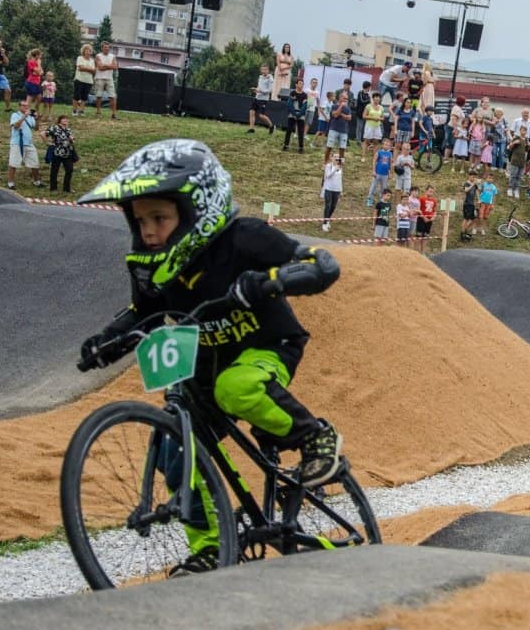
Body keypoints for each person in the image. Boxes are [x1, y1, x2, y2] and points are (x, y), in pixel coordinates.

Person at [77, 139, 345, 575]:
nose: (148, 231)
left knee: (236, 387)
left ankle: (313, 436)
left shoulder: (244, 239)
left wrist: (270, 282)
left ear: (197, 210)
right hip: (205, 366)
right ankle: (212, 549)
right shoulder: (152, 266)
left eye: (160, 218)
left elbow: (321, 265)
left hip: (266, 348)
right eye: (140, 219)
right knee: (173, 451)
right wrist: (107, 339)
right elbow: (143, 312)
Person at [7, 98, 40, 189]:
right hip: (17, 143)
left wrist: (37, 119)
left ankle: (37, 182)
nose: (26, 107)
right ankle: (10, 183)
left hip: (29, 143)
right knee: (13, 163)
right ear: (19, 107)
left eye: (27, 106)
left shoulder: (30, 116)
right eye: (24, 106)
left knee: (35, 163)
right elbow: (16, 126)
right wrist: (24, 116)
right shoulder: (15, 115)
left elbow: (36, 129)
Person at [42, 113, 77, 193]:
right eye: (64, 119)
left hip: (67, 152)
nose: (66, 120)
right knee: (54, 170)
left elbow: (73, 140)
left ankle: (67, 188)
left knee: (69, 169)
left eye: (67, 119)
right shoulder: (54, 127)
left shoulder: (68, 129)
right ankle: (53, 188)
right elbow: (43, 134)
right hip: (57, 152)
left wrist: (72, 140)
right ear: (59, 120)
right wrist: (48, 143)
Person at [323, 92, 351, 165]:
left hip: (344, 131)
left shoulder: (348, 108)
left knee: (342, 148)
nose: (345, 100)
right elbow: (335, 115)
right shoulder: (334, 106)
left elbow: (349, 118)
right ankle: (325, 162)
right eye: (344, 98)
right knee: (329, 146)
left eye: (346, 99)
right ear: (340, 98)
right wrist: (341, 106)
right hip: (334, 129)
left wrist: (343, 115)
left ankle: (340, 164)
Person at [247, 65, 275, 135]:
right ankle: (251, 129)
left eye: (265, 70)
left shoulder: (270, 78)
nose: (264, 71)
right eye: (262, 70)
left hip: (263, 99)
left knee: (261, 116)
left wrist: (260, 90)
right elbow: (259, 87)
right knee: (251, 112)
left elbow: (270, 90)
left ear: (268, 70)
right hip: (257, 97)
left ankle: (271, 126)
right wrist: (255, 90)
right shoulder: (260, 77)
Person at [93, 41, 118, 119]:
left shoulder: (113, 56)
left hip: (109, 78)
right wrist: (110, 66)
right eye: (105, 47)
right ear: (102, 48)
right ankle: (98, 112)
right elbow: (100, 67)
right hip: (99, 78)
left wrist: (105, 65)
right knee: (99, 96)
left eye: (108, 47)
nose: (107, 49)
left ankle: (114, 114)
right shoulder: (98, 56)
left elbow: (115, 67)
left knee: (112, 96)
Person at [282, 78, 308, 153]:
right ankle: (285, 145)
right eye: (300, 83)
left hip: (301, 115)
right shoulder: (292, 93)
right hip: (292, 114)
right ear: (296, 84)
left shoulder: (304, 95)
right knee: (289, 130)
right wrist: (294, 113)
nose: (301, 85)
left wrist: (299, 114)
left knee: (301, 131)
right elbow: (289, 104)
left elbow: (305, 106)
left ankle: (301, 148)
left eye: (302, 84)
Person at [320, 154, 342, 232]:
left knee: (333, 206)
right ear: (331, 158)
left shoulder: (340, 167)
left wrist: (341, 191)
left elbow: (340, 179)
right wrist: (334, 169)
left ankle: (328, 219)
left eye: (338, 157)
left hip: (337, 189)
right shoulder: (328, 166)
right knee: (328, 205)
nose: (336, 158)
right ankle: (324, 223)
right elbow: (328, 175)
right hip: (328, 188)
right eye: (335, 157)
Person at [416, 185, 438, 252]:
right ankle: (418, 252)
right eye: (430, 191)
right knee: (419, 237)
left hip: (429, 220)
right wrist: (423, 217)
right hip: (421, 219)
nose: (431, 193)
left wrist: (433, 217)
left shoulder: (434, 200)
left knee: (426, 236)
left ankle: (423, 252)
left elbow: (435, 210)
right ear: (426, 191)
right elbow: (418, 209)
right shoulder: (421, 199)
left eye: (432, 192)